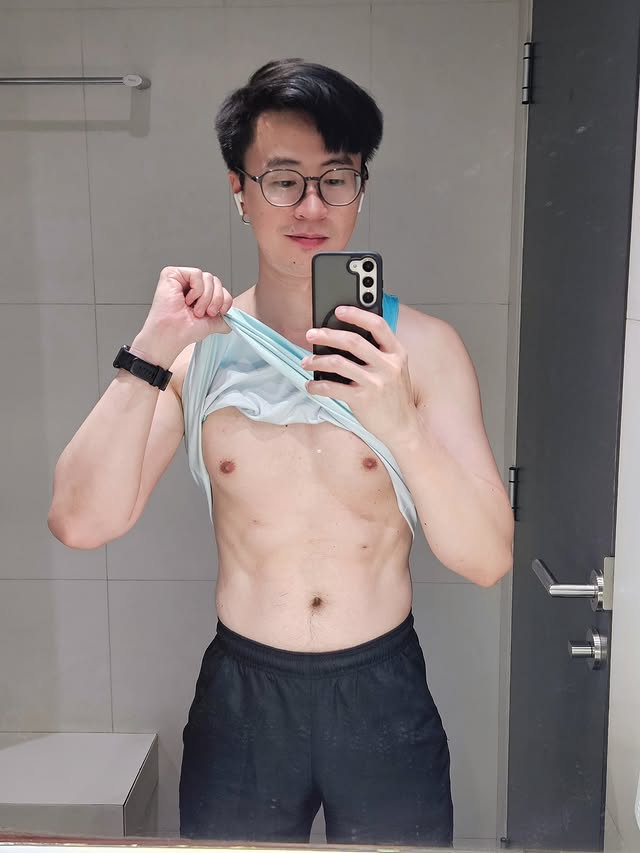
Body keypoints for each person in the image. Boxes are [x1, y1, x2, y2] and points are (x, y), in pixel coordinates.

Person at [48, 58, 514, 847]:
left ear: (361, 188)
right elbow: (80, 521)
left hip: (381, 686)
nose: (312, 205)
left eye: (337, 178)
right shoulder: (196, 353)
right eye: (283, 179)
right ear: (239, 190)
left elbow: (489, 559)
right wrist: (151, 347)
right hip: (244, 694)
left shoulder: (425, 351)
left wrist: (399, 426)